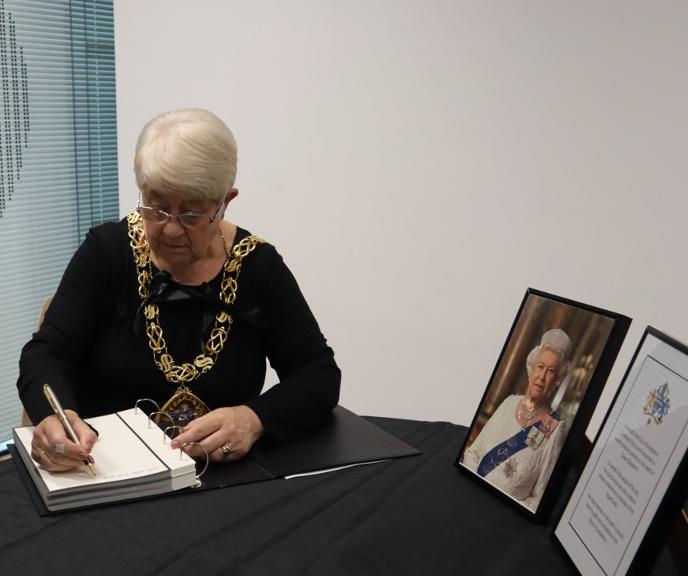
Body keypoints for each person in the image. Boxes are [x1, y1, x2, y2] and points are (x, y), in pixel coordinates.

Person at [17, 108, 341, 472]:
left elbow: (318, 374)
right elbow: (46, 354)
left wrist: (254, 418)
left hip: (223, 477)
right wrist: (57, 418)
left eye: (191, 214)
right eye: (155, 208)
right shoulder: (107, 252)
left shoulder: (257, 266)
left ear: (225, 202)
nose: (170, 230)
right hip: (108, 473)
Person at [461, 328, 571, 511]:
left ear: (557, 379)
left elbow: (538, 500)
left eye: (551, 371)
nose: (542, 377)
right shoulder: (509, 402)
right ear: (531, 367)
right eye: (540, 367)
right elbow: (472, 453)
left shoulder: (555, 429)